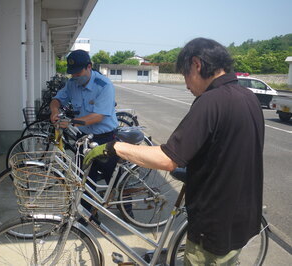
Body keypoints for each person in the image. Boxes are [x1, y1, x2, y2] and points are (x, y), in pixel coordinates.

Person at [84, 38, 265, 265]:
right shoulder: (248, 97)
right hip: (241, 216)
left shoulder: (211, 101)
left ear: (197, 64)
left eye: (185, 75)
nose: (187, 85)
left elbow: (168, 158)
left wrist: (115, 147)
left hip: (214, 222)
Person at [50, 49, 119, 212]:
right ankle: (87, 214)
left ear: (89, 67)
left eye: (78, 72)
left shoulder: (104, 85)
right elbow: (57, 99)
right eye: (72, 73)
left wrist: (71, 122)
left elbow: (98, 116)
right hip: (84, 138)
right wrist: (54, 110)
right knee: (84, 177)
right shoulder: (72, 83)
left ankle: (127, 208)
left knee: (112, 176)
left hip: (105, 138)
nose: (75, 76)